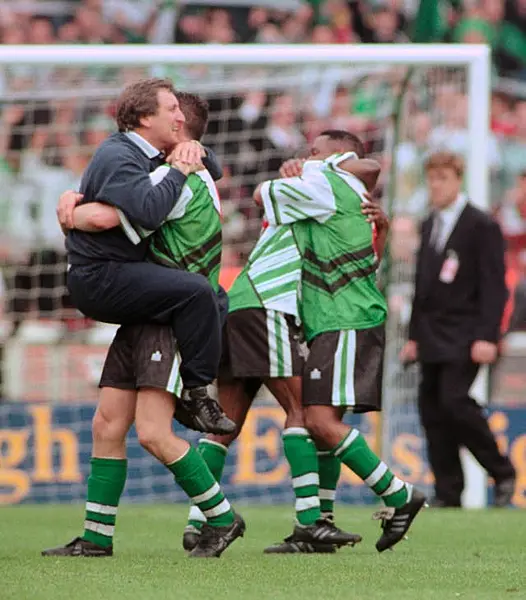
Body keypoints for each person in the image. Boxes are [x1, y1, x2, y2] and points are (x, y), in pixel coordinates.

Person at [42, 93, 245, 559]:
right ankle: (96, 539)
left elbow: (107, 216)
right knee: (107, 424)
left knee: (153, 432)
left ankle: (222, 516)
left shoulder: (176, 179)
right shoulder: (174, 166)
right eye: (167, 109)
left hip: (165, 316)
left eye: (178, 114)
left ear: (181, 137)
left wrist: (75, 209)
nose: (174, 117)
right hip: (145, 305)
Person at [182, 141, 388, 555]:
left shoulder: (330, 196)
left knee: (226, 422)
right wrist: (318, 162)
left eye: (318, 147)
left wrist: (380, 227)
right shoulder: (316, 184)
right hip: (268, 304)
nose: (309, 152)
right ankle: (313, 521)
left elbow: (364, 264)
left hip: (245, 302)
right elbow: (369, 165)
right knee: (306, 410)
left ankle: (198, 520)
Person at [255, 130, 426, 553]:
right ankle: (321, 524)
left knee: (317, 421)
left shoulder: (326, 181)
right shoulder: (351, 203)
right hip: (344, 320)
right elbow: (367, 265)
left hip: (343, 322)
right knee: (321, 421)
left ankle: (399, 494)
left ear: (332, 157)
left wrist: (298, 172)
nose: (306, 155)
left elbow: (262, 196)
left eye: (313, 150)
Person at [59, 77, 233, 434]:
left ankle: (193, 389)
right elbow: (145, 212)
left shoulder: (145, 153)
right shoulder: (120, 156)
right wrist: (181, 169)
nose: (179, 118)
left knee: (214, 298)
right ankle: (199, 395)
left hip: (123, 272)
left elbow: (211, 164)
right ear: (144, 118)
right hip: (101, 276)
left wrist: (195, 152)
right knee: (198, 291)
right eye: (171, 110)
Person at [400, 151, 516, 508]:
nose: (435, 185)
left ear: (457, 180)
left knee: (454, 401)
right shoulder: (429, 224)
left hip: (466, 334)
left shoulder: (482, 225)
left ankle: (501, 470)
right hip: (432, 335)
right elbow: (423, 287)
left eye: (442, 178)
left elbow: (495, 285)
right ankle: (449, 493)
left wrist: (488, 336)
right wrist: (413, 337)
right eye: (431, 178)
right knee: (431, 409)